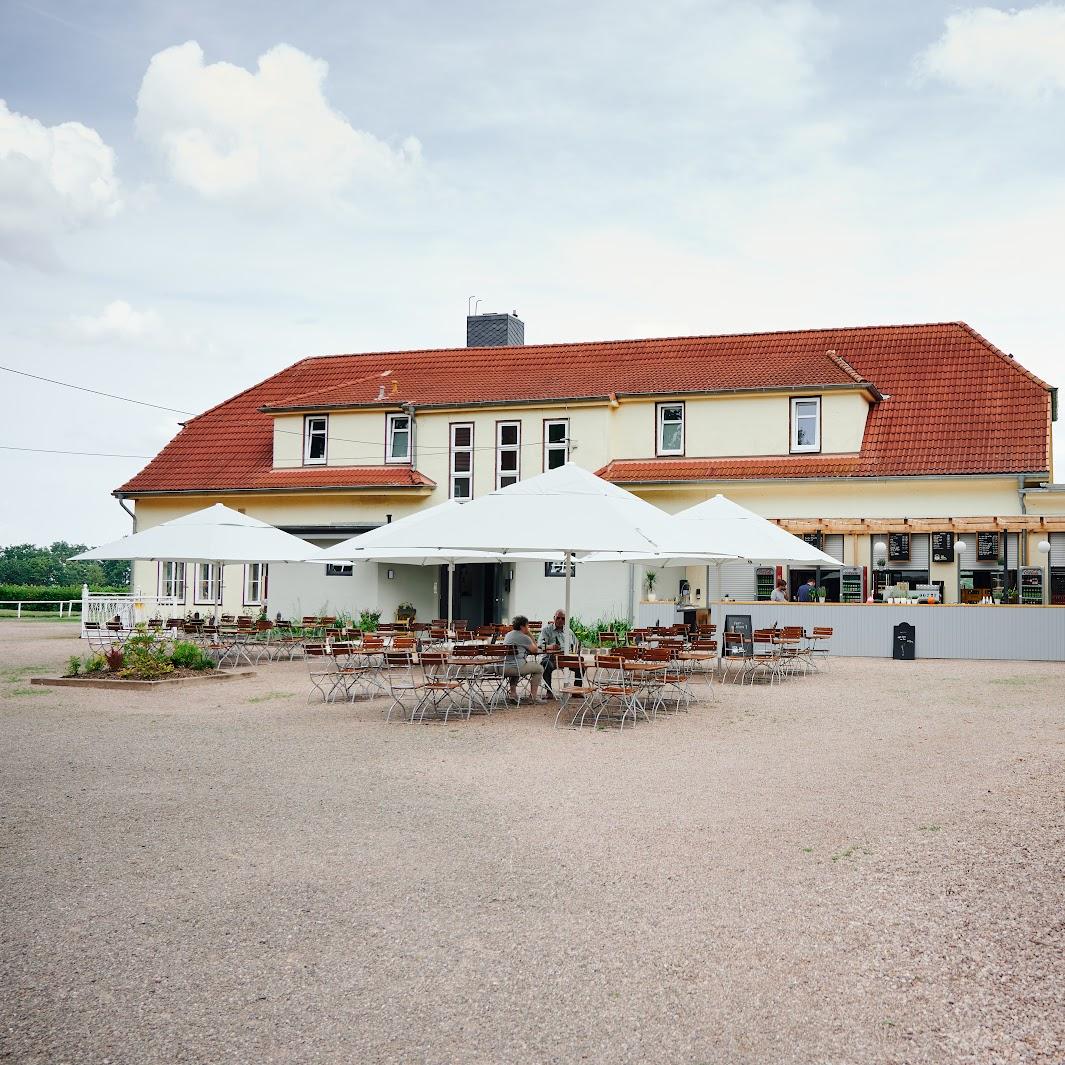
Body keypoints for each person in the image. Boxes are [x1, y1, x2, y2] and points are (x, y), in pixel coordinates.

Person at [538, 608, 582, 699]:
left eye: (563, 618)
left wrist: (577, 648)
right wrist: (550, 646)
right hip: (551, 657)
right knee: (546, 664)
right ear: (554, 618)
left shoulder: (568, 631)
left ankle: (576, 690)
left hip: (566, 657)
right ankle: (548, 691)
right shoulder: (546, 630)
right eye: (558, 618)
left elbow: (576, 643)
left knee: (581, 665)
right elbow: (539, 645)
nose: (560, 620)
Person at [502, 615, 544, 702]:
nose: (528, 627)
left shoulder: (508, 635)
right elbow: (535, 649)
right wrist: (529, 633)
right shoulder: (524, 637)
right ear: (522, 626)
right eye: (527, 625)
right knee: (539, 669)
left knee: (517, 665)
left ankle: (513, 694)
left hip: (502, 667)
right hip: (514, 668)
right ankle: (533, 697)